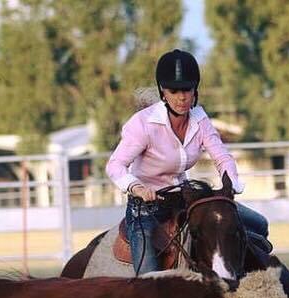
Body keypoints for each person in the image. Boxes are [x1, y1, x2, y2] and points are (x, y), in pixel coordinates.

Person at [106, 49, 270, 275]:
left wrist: (230, 185)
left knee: (259, 223)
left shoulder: (200, 120)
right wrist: (137, 188)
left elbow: (222, 157)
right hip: (146, 209)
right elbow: (115, 165)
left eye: (187, 89)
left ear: (195, 90)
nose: (182, 97)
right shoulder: (143, 124)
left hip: (184, 198)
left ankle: (246, 278)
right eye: (174, 91)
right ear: (163, 92)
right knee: (149, 279)